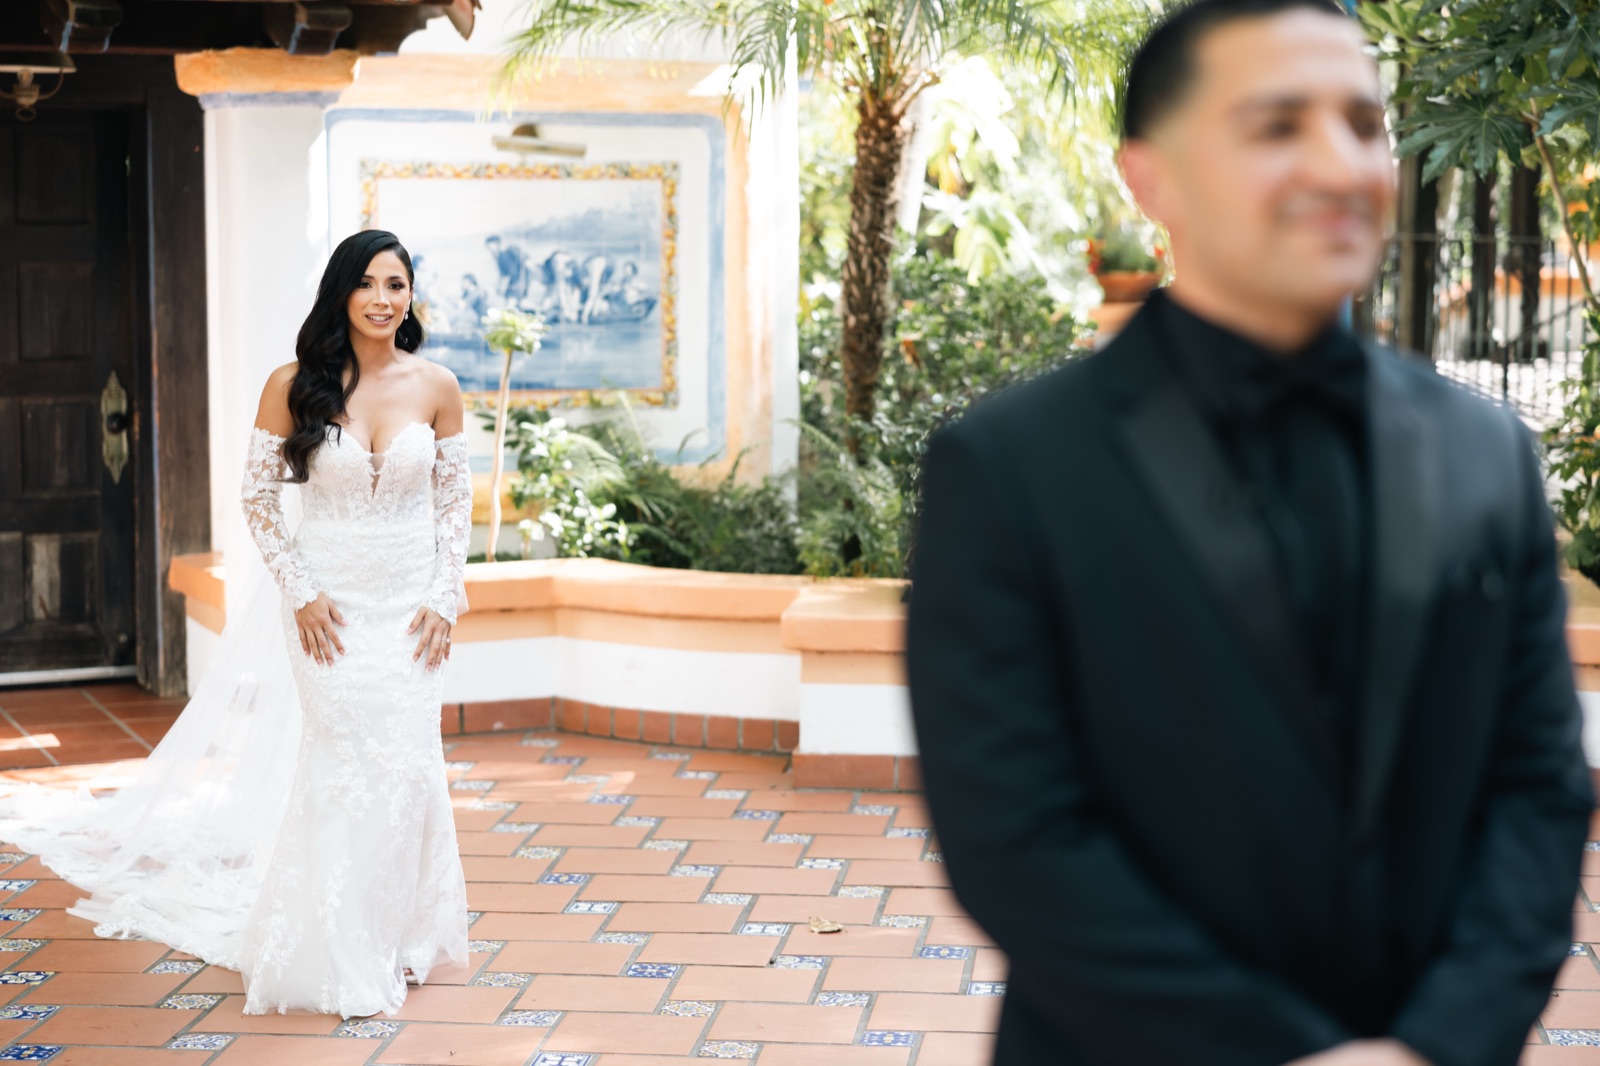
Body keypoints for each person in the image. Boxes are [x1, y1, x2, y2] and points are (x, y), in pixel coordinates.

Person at [905, 2, 1593, 1065]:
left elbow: (1537, 787)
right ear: (1150, 179)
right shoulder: (1009, 467)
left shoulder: (1486, 450)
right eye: (1276, 126)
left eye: (1362, 123)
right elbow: (1015, 832)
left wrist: (1441, 1043)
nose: (1340, 164)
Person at [0, 230, 473, 1019]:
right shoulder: (292, 384)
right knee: (345, 762)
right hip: (328, 609)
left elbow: (455, 504)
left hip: (412, 611)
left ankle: (395, 934)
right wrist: (302, 592)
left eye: (396, 284)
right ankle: (336, 948)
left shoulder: (438, 386)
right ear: (341, 293)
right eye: (367, 283)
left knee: (409, 767)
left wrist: (445, 595)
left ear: (411, 296)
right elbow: (257, 498)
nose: (383, 299)